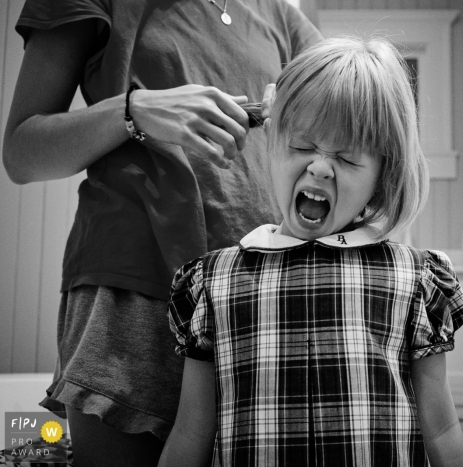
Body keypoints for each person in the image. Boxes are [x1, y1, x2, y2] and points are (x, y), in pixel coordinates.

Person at [2, 1, 321, 466]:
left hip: (256, 295)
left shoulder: (280, 15)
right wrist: (134, 110)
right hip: (135, 287)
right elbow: (21, 153)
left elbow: (348, 103)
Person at [161, 35, 463, 467]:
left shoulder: (413, 279)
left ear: (383, 175)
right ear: (271, 144)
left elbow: (441, 427)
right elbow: (192, 430)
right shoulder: (215, 281)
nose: (320, 167)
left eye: (346, 157)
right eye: (303, 146)